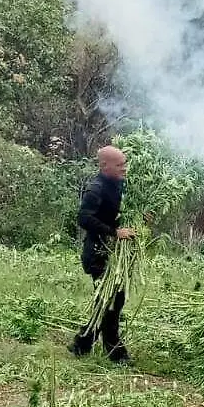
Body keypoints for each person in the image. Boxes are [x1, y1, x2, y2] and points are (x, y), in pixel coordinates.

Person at [69, 146, 134, 363]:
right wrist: (114, 232)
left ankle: (82, 343)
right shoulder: (95, 188)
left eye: (124, 164)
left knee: (112, 300)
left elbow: (122, 214)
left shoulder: (121, 186)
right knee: (110, 302)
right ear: (104, 166)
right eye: (119, 165)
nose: (124, 168)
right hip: (97, 253)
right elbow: (84, 218)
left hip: (115, 255)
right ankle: (115, 352)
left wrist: (140, 218)